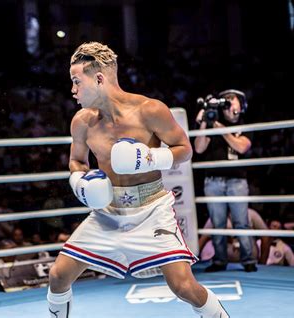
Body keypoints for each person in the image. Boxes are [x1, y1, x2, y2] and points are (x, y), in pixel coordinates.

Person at [47, 42, 228, 318]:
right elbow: (77, 161)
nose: (72, 90)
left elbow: (184, 149)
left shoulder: (149, 110)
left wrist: (149, 159)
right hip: (107, 212)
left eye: (76, 81)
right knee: (58, 275)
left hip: (152, 209)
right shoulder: (81, 122)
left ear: (99, 79)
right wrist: (79, 183)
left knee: (183, 286)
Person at [194, 89, 257, 273]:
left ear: (241, 105)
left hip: (237, 181)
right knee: (217, 222)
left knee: (241, 222)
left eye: (233, 99)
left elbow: (242, 146)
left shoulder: (244, 125)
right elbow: (198, 148)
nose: (228, 102)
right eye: (226, 99)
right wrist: (205, 122)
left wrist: (220, 129)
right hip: (213, 180)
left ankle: (248, 260)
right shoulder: (212, 123)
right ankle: (220, 260)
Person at [199, 208, 271, 264]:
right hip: (226, 264)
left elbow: (266, 237)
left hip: (251, 263)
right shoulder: (215, 217)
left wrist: (262, 262)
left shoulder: (250, 214)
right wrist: (189, 264)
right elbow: (202, 241)